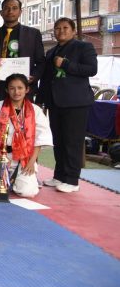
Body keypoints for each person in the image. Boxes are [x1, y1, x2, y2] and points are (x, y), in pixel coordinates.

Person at [37, 17, 98, 193]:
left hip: (76, 102)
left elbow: (91, 69)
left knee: (72, 142)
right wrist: (40, 100)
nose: (61, 31)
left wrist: (65, 64)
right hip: (55, 102)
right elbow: (46, 79)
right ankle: (59, 175)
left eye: (65, 28)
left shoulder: (84, 47)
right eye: (57, 28)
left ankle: (72, 180)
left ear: (73, 30)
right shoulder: (51, 51)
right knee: (59, 141)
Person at [0, 74, 53, 198]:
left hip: (25, 158)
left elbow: (40, 138)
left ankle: (17, 180)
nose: (16, 92)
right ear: (6, 90)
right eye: (12, 88)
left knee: (28, 192)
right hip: (1, 155)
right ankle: (7, 179)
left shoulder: (35, 110)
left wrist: (32, 161)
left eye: (20, 88)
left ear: (27, 89)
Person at [0, 0, 45, 103]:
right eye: (6, 8)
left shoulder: (33, 34)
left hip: (23, 89)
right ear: (1, 13)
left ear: (20, 12)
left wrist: (34, 76)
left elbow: (41, 61)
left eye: (14, 8)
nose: (10, 11)